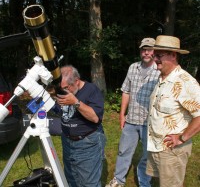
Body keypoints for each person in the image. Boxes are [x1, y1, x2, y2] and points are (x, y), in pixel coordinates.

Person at [145, 35, 200, 187]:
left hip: (172, 150)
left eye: (159, 55)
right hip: (156, 146)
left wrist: (182, 138)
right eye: (154, 55)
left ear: (173, 55)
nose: (154, 59)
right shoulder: (162, 78)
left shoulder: (185, 82)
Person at [106, 38, 160, 187]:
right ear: (140, 51)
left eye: (149, 49)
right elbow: (126, 91)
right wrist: (122, 114)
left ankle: (144, 182)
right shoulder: (133, 67)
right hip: (131, 120)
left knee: (147, 155)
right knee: (123, 151)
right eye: (144, 49)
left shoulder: (160, 70)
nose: (146, 52)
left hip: (149, 123)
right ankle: (118, 180)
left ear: (154, 51)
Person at [55, 65, 106, 187]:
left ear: (76, 81)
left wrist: (76, 102)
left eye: (66, 88)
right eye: (61, 88)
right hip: (67, 142)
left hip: (87, 143)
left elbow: (95, 117)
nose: (63, 92)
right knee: (71, 179)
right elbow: (60, 111)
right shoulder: (65, 90)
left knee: (89, 183)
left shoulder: (91, 90)